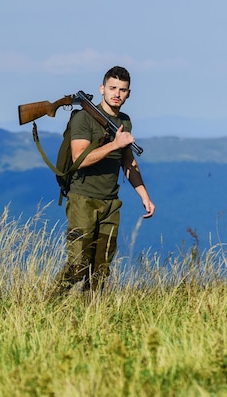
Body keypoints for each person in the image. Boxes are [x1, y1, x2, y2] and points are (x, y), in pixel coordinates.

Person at [53, 65, 155, 297]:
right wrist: (115, 144)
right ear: (101, 89)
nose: (117, 93)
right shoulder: (83, 118)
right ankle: (49, 305)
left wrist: (145, 196)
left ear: (128, 94)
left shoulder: (124, 122)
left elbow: (127, 162)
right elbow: (80, 158)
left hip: (110, 203)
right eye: (112, 88)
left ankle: (93, 317)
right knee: (78, 265)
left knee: (100, 270)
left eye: (122, 90)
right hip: (83, 200)